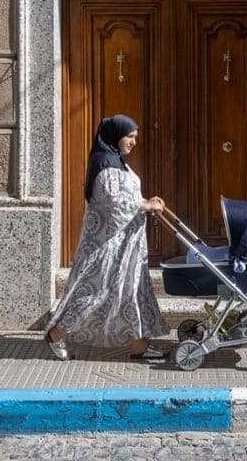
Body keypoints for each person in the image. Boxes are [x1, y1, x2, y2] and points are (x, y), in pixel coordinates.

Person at [44, 114, 169, 360]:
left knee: (131, 291)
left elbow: (125, 197)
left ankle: (139, 345)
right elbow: (113, 203)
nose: (133, 142)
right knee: (96, 291)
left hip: (125, 245)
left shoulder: (118, 161)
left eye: (135, 137)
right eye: (129, 136)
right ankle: (56, 334)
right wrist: (145, 206)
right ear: (115, 136)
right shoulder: (105, 163)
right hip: (107, 247)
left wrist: (146, 201)